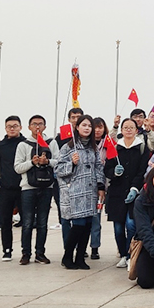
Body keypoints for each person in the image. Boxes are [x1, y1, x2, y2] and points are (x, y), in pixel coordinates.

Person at [55, 115, 105, 270]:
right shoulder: (68, 147)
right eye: (84, 125)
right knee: (78, 225)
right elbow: (58, 169)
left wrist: (101, 186)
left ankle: (80, 257)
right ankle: (67, 256)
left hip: (90, 192)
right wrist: (71, 163)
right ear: (77, 127)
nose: (87, 128)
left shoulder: (93, 148)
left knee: (88, 225)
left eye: (89, 126)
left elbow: (98, 167)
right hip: (75, 192)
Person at [14, 115, 60, 265]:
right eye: (34, 124)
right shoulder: (23, 145)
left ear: (45, 127)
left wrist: (47, 161)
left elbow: (59, 163)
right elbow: (17, 167)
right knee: (27, 222)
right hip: (28, 188)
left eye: (40, 124)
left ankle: (40, 253)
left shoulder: (51, 143)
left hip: (46, 187)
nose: (37, 127)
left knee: (42, 222)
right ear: (29, 127)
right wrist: (32, 162)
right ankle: (25, 253)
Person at [104, 118, 150, 268]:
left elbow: (142, 171)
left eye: (132, 127)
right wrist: (114, 173)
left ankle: (130, 255)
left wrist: (134, 189)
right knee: (118, 228)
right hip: (116, 194)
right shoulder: (115, 148)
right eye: (126, 127)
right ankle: (123, 255)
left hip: (134, 193)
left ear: (136, 130)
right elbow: (107, 169)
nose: (128, 130)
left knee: (131, 225)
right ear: (122, 130)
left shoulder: (142, 148)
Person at [0, 116, 26, 261]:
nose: (12, 129)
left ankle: (26, 251)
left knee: (27, 221)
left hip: (24, 188)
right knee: (5, 221)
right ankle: (7, 250)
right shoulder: (0, 146)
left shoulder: (26, 144)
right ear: (5, 128)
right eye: (9, 126)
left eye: (15, 126)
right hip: (6, 188)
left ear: (20, 127)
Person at [89, 117, 109, 259]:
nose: (97, 130)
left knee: (96, 218)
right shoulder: (85, 144)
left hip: (103, 187)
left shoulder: (108, 144)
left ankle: (95, 248)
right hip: (87, 186)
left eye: (100, 127)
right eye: (94, 127)